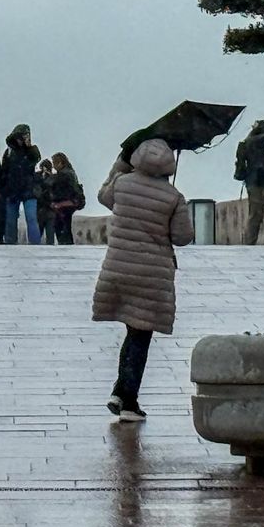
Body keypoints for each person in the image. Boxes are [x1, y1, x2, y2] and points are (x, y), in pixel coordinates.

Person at [92, 137, 193, 420]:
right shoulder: (173, 197)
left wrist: (118, 167)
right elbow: (183, 237)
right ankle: (129, 402)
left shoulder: (122, 184)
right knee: (140, 335)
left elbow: (103, 197)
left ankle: (121, 391)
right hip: (151, 276)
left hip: (118, 270)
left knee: (132, 332)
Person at [0, 124, 43, 245]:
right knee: (11, 220)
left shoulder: (32, 150)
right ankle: (10, 242)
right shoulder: (9, 152)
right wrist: (2, 189)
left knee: (31, 218)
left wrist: (29, 146)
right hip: (12, 189)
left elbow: (36, 158)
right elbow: (4, 171)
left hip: (28, 189)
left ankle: (35, 244)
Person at [234, 119, 264, 244]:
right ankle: (250, 241)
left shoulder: (250, 143)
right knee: (256, 214)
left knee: (255, 213)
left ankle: (250, 241)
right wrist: (262, 127)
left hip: (253, 181)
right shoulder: (254, 142)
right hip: (257, 181)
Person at [46, 152, 85, 245]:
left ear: (60, 163)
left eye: (55, 163)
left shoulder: (64, 174)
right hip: (69, 203)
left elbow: (52, 183)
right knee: (64, 227)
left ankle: (66, 246)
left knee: (62, 228)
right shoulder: (69, 172)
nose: (54, 166)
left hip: (65, 204)